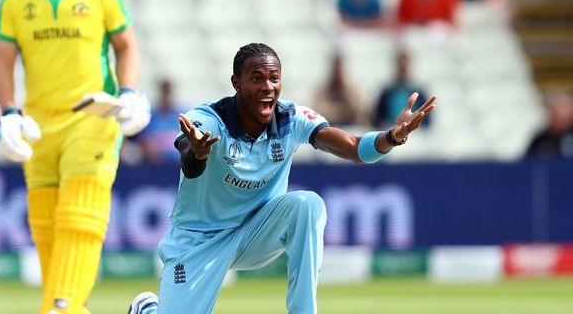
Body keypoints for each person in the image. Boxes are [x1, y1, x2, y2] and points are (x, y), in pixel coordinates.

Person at [127, 43, 436, 314]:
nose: (268, 87)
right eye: (257, 79)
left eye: (274, 78)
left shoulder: (291, 119)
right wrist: (199, 151)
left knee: (307, 204)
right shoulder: (210, 119)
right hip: (199, 241)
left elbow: (355, 149)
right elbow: (189, 163)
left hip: (255, 232)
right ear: (236, 82)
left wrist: (392, 137)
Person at [0, 0, 151, 314]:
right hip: (38, 125)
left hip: (92, 118)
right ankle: (67, 308)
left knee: (79, 217)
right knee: (46, 229)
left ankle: (58, 309)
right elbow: (2, 62)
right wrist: (8, 112)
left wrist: (130, 91)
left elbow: (127, 45)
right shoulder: (14, 0)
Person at [525, 92, 573, 160]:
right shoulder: (541, 139)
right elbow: (528, 163)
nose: (557, 116)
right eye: (554, 112)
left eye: (562, 110)